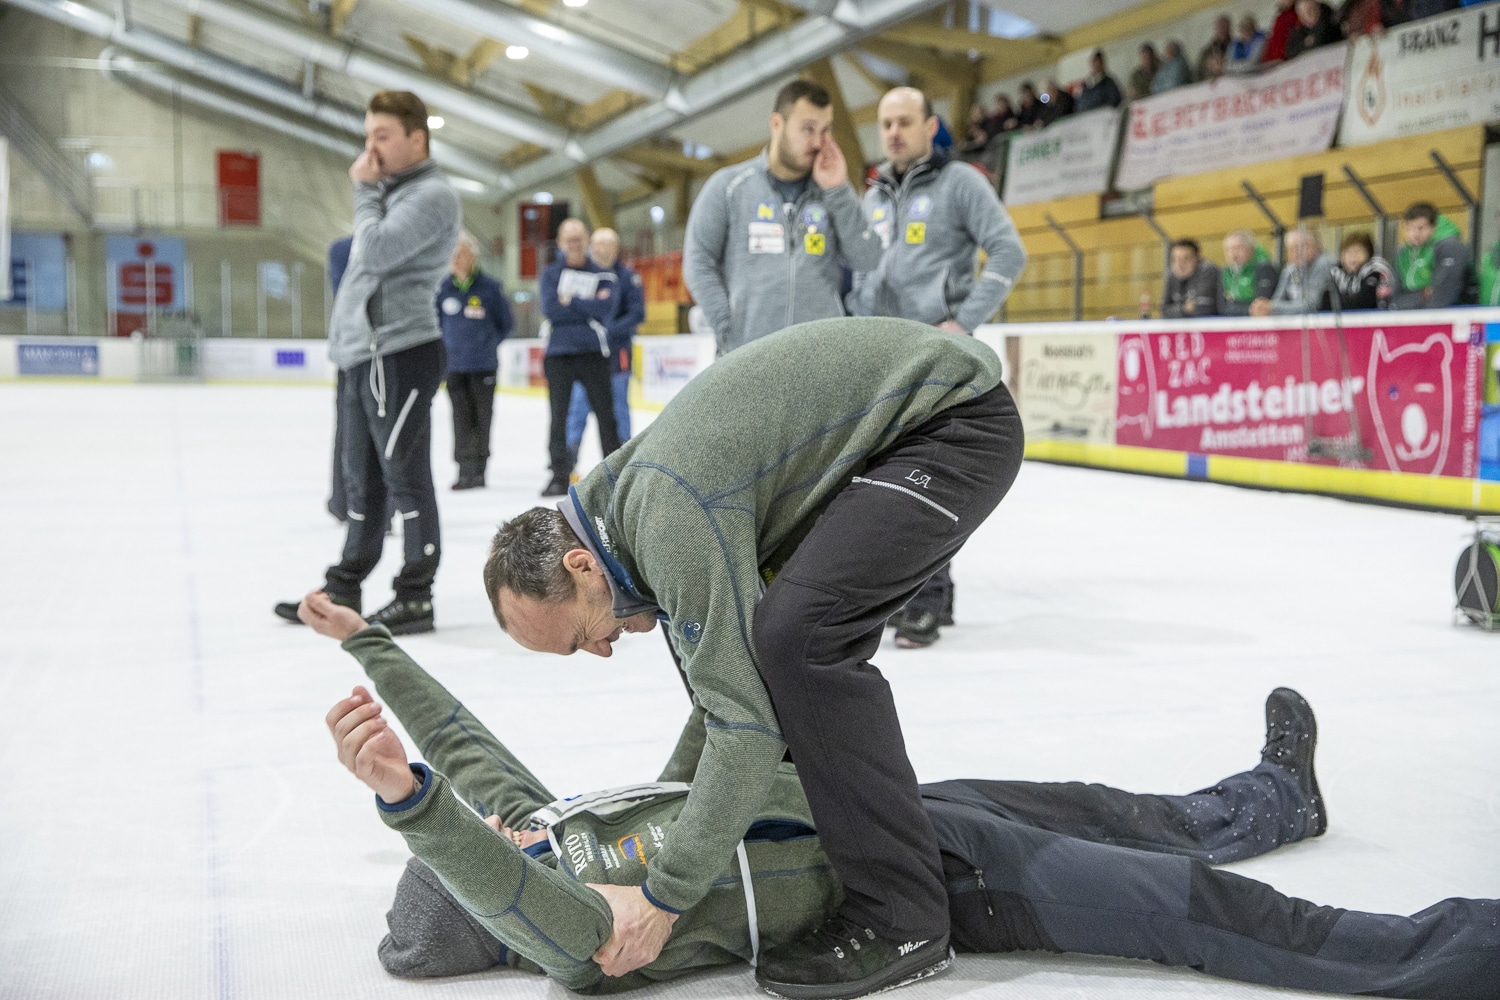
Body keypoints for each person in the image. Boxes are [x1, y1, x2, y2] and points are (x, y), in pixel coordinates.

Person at [302, 593, 1500, 999]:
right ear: (491, 899)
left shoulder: (554, 828)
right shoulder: (578, 930)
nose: (512, 818)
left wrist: (372, 650)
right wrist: (409, 805)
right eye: (486, 844)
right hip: (930, 884)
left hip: (877, 803)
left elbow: (473, 756)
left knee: (1109, 804)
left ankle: (1274, 800)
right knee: (1191, 905)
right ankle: (1449, 953)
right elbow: (486, 843)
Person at [481, 317, 1025, 999]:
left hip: (953, 425)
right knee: (770, 652)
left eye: (578, 634)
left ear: (582, 565)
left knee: (799, 640)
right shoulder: (619, 522)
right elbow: (722, 703)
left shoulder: (663, 519)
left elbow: (744, 730)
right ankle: (822, 850)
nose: (600, 648)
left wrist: (662, 897)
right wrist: (662, 819)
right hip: (906, 432)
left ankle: (902, 918)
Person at [846, 87, 1027, 649]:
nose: (894, 132)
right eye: (885, 123)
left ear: (931, 127)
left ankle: (923, 601)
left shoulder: (961, 183)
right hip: (880, 355)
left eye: (904, 121)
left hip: (935, 357)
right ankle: (921, 595)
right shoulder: (871, 195)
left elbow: (1008, 251)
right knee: (884, 479)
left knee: (925, 479)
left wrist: (964, 321)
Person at [275, 90, 460, 637]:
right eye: (367, 136)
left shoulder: (431, 195)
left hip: (401, 354)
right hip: (366, 357)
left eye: (382, 136)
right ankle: (345, 584)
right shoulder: (393, 194)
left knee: (405, 477)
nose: (370, 150)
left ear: (416, 139)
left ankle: (415, 595)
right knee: (363, 483)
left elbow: (375, 251)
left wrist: (363, 188)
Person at [682, 80, 881, 358]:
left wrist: (837, 189)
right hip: (747, 357)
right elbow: (697, 261)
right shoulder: (729, 187)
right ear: (777, 124)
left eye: (825, 131)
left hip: (819, 359)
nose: (817, 142)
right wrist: (728, 329)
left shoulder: (833, 192)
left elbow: (868, 258)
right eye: (808, 128)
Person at [539, 218, 622, 497]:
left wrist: (571, 300)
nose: (574, 244)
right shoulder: (550, 275)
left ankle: (614, 474)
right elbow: (552, 309)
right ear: (561, 243)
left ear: (586, 241)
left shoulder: (604, 274)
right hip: (559, 354)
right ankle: (558, 474)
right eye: (569, 240)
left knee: (606, 415)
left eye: (578, 239)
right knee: (558, 416)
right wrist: (586, 304)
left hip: (593, 353)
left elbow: (605, 308)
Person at [437, 231, 512, 491]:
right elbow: (436, 325)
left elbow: (506, 324)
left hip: (483, 366)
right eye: (452, 253)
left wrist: (486, 344)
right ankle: (463, 469)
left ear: (473, 255)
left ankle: (479, 470)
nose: (456, 258)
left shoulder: (490, 288)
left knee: (482, 418)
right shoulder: (443, 288)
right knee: (460, 419)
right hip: (454, 368)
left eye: (461, 252)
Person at [564, 228, 643, 469]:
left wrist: (608, 330)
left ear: (615, 248)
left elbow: (637, 313)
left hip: (617, 353)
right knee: (578, 405)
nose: (599, 250)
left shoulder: (628, 277)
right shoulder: (581, 274)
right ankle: (568, 459)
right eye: (596, 245)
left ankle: (622, 461)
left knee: (618, 405)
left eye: (605, 245)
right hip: (586, 352)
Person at [1393, 201, 1473, 310]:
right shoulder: (1402, 253)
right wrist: (1421, 295)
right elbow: (1394, 299)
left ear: (1434, 227)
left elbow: (1442, 296)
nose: (1414, 234)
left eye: (1420, 228)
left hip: (1454, 316)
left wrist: (1412, 298)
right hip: (1412, 316)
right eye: (1409, 228)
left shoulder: (1449, 247)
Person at [326, 235, 354, 523]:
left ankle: (344, 499)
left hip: (350, 353)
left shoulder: (341, 248)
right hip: (364, 353)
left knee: (348, 432)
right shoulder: (345, 249)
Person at [1250, 229, 1337, 316]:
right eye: (1292, 249)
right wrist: (1264, 307)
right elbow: (1277, 300)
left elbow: (1311, 305)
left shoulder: (1324, 264)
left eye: (1302, 246)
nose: (1297, 252)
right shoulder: (1289, 270)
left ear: (1318, 246)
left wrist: (1272, 307)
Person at [1319, 231, 1393, 311]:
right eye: (1348, 252)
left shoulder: (1376, 270)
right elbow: (1326, 301)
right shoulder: (1336, 272)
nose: (1353, 257)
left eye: (1357, 251)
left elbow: (1364, 302)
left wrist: (1341, 303)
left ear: (1369, 253)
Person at [1217, 230, 1280, 316]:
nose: (1233, 254)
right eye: (1228, 250)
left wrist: (1235, 305)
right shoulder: (1225, 272)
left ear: (1251, 249)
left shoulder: (1264, 268)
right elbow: (1222, 306)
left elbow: (1260, 306)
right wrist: (1246, 309)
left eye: (1238, 248)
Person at [1160, 239, 1219, 318]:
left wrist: (1177, 310)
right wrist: (1183, 309)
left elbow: (1202, 308)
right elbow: (1164, 309)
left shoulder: (1208, 272)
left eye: (1186, 259)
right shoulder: (1171, 274)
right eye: (1175, 259)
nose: (1180, 264)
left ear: (1197, 259)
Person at [1197, 15, 1233, 81]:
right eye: (1220, 27)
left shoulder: (1237, 45)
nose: (1222, 30)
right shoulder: (1207, 51)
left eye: (1225, 27)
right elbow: (1199, 72)